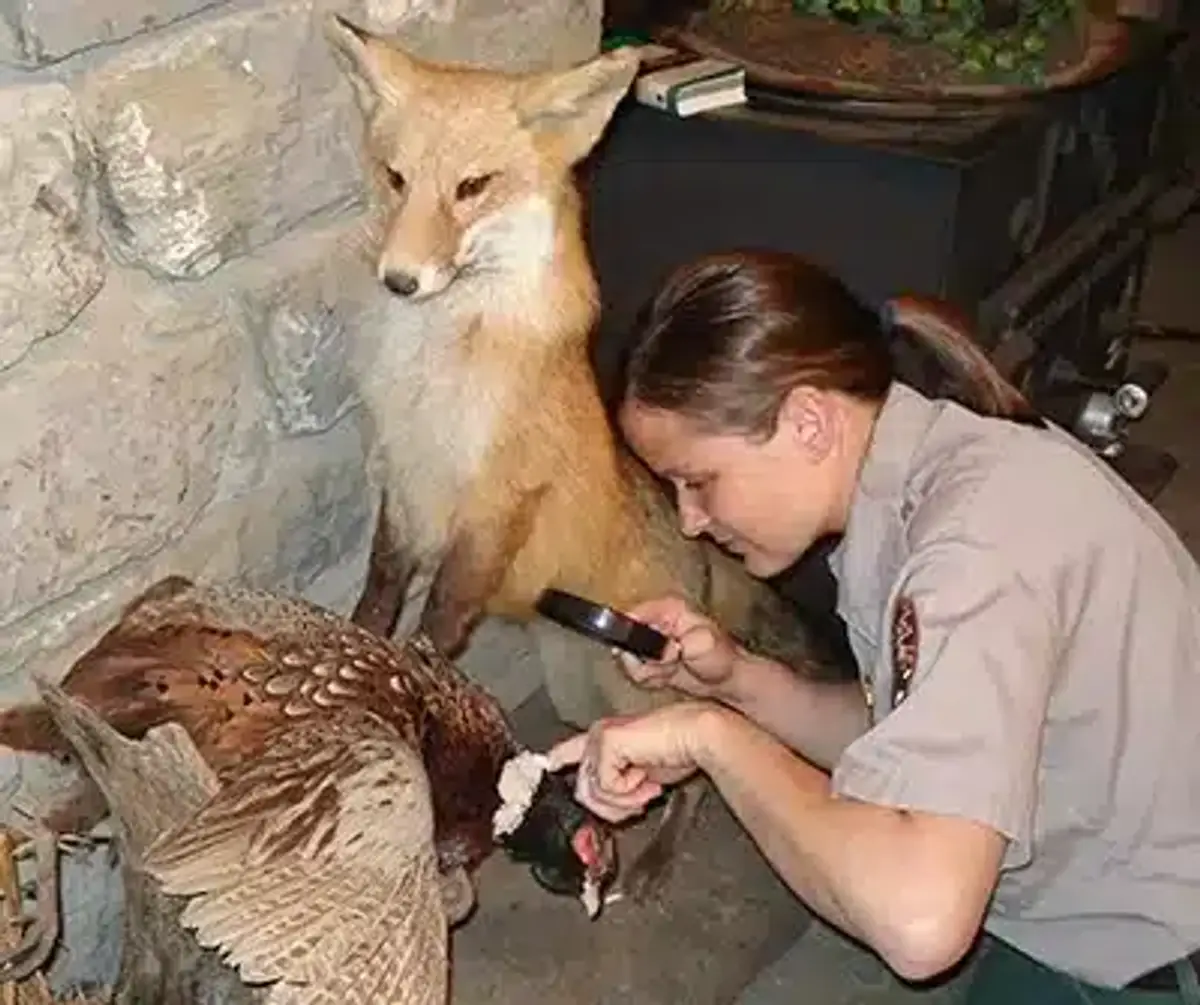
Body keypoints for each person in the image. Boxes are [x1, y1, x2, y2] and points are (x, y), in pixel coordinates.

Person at [546, 249, 1200, 1004]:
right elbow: (902, 732)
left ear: (809, 422)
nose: (690, 520)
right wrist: (737, 682)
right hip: (1094, 897)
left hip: (1154, 953)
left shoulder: (969, 556)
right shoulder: (924, 478)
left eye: (700, 481)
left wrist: (710, 737)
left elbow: (920, 922)